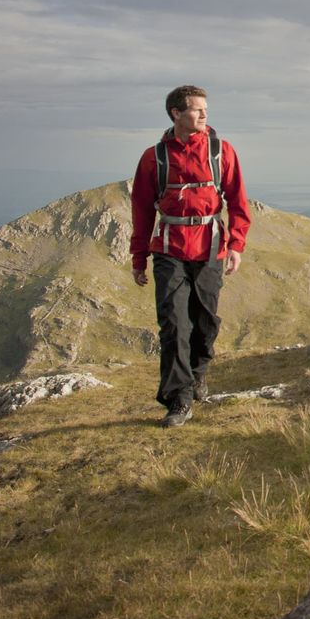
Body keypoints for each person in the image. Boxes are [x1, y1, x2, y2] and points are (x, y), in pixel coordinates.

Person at [129, 85, 251, 427]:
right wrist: (139, 259)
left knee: (205, 321)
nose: (204, 115)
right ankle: (178, 399)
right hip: (169, 250)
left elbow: (238, 202)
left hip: (211, 246)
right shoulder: (154, 158)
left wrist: (237, 246)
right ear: (176, 113)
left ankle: (198, 372)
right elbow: (141, 211)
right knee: (173, 324)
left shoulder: (221, 152)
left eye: (205, 109)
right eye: (197, 109)